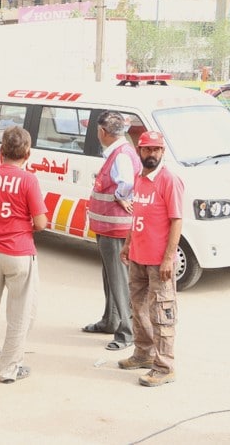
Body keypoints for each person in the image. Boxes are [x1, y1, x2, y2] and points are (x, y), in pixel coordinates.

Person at [0, 126, 48, 384]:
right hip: (18, 252)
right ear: (28, 153)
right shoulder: (28, 180)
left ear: (0, 151)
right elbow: (41, 222)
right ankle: (9, 369)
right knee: (20, 312)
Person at [118, 131, 184, 387]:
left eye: (156, 150)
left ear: (162, 152)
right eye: (147, 150)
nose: (152, 154)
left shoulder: (169, 180)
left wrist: (168, 258)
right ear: (139, 151)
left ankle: (164, 366)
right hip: (138, 257)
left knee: (162, 313)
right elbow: (138, 216)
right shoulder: (139, 179)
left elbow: (176, 220)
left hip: (159, 262)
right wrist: (127, 244)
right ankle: (143, 353)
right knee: (138, 308)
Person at [84, 111, 142, 351]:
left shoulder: (121, 155)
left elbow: (126, 183)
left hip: (116, 227)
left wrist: (120, 196)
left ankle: (127, 332)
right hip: (108, 226)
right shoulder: (120, 152)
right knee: (110, 277)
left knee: (118, 280)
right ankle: (111, 320)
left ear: (102, 132)